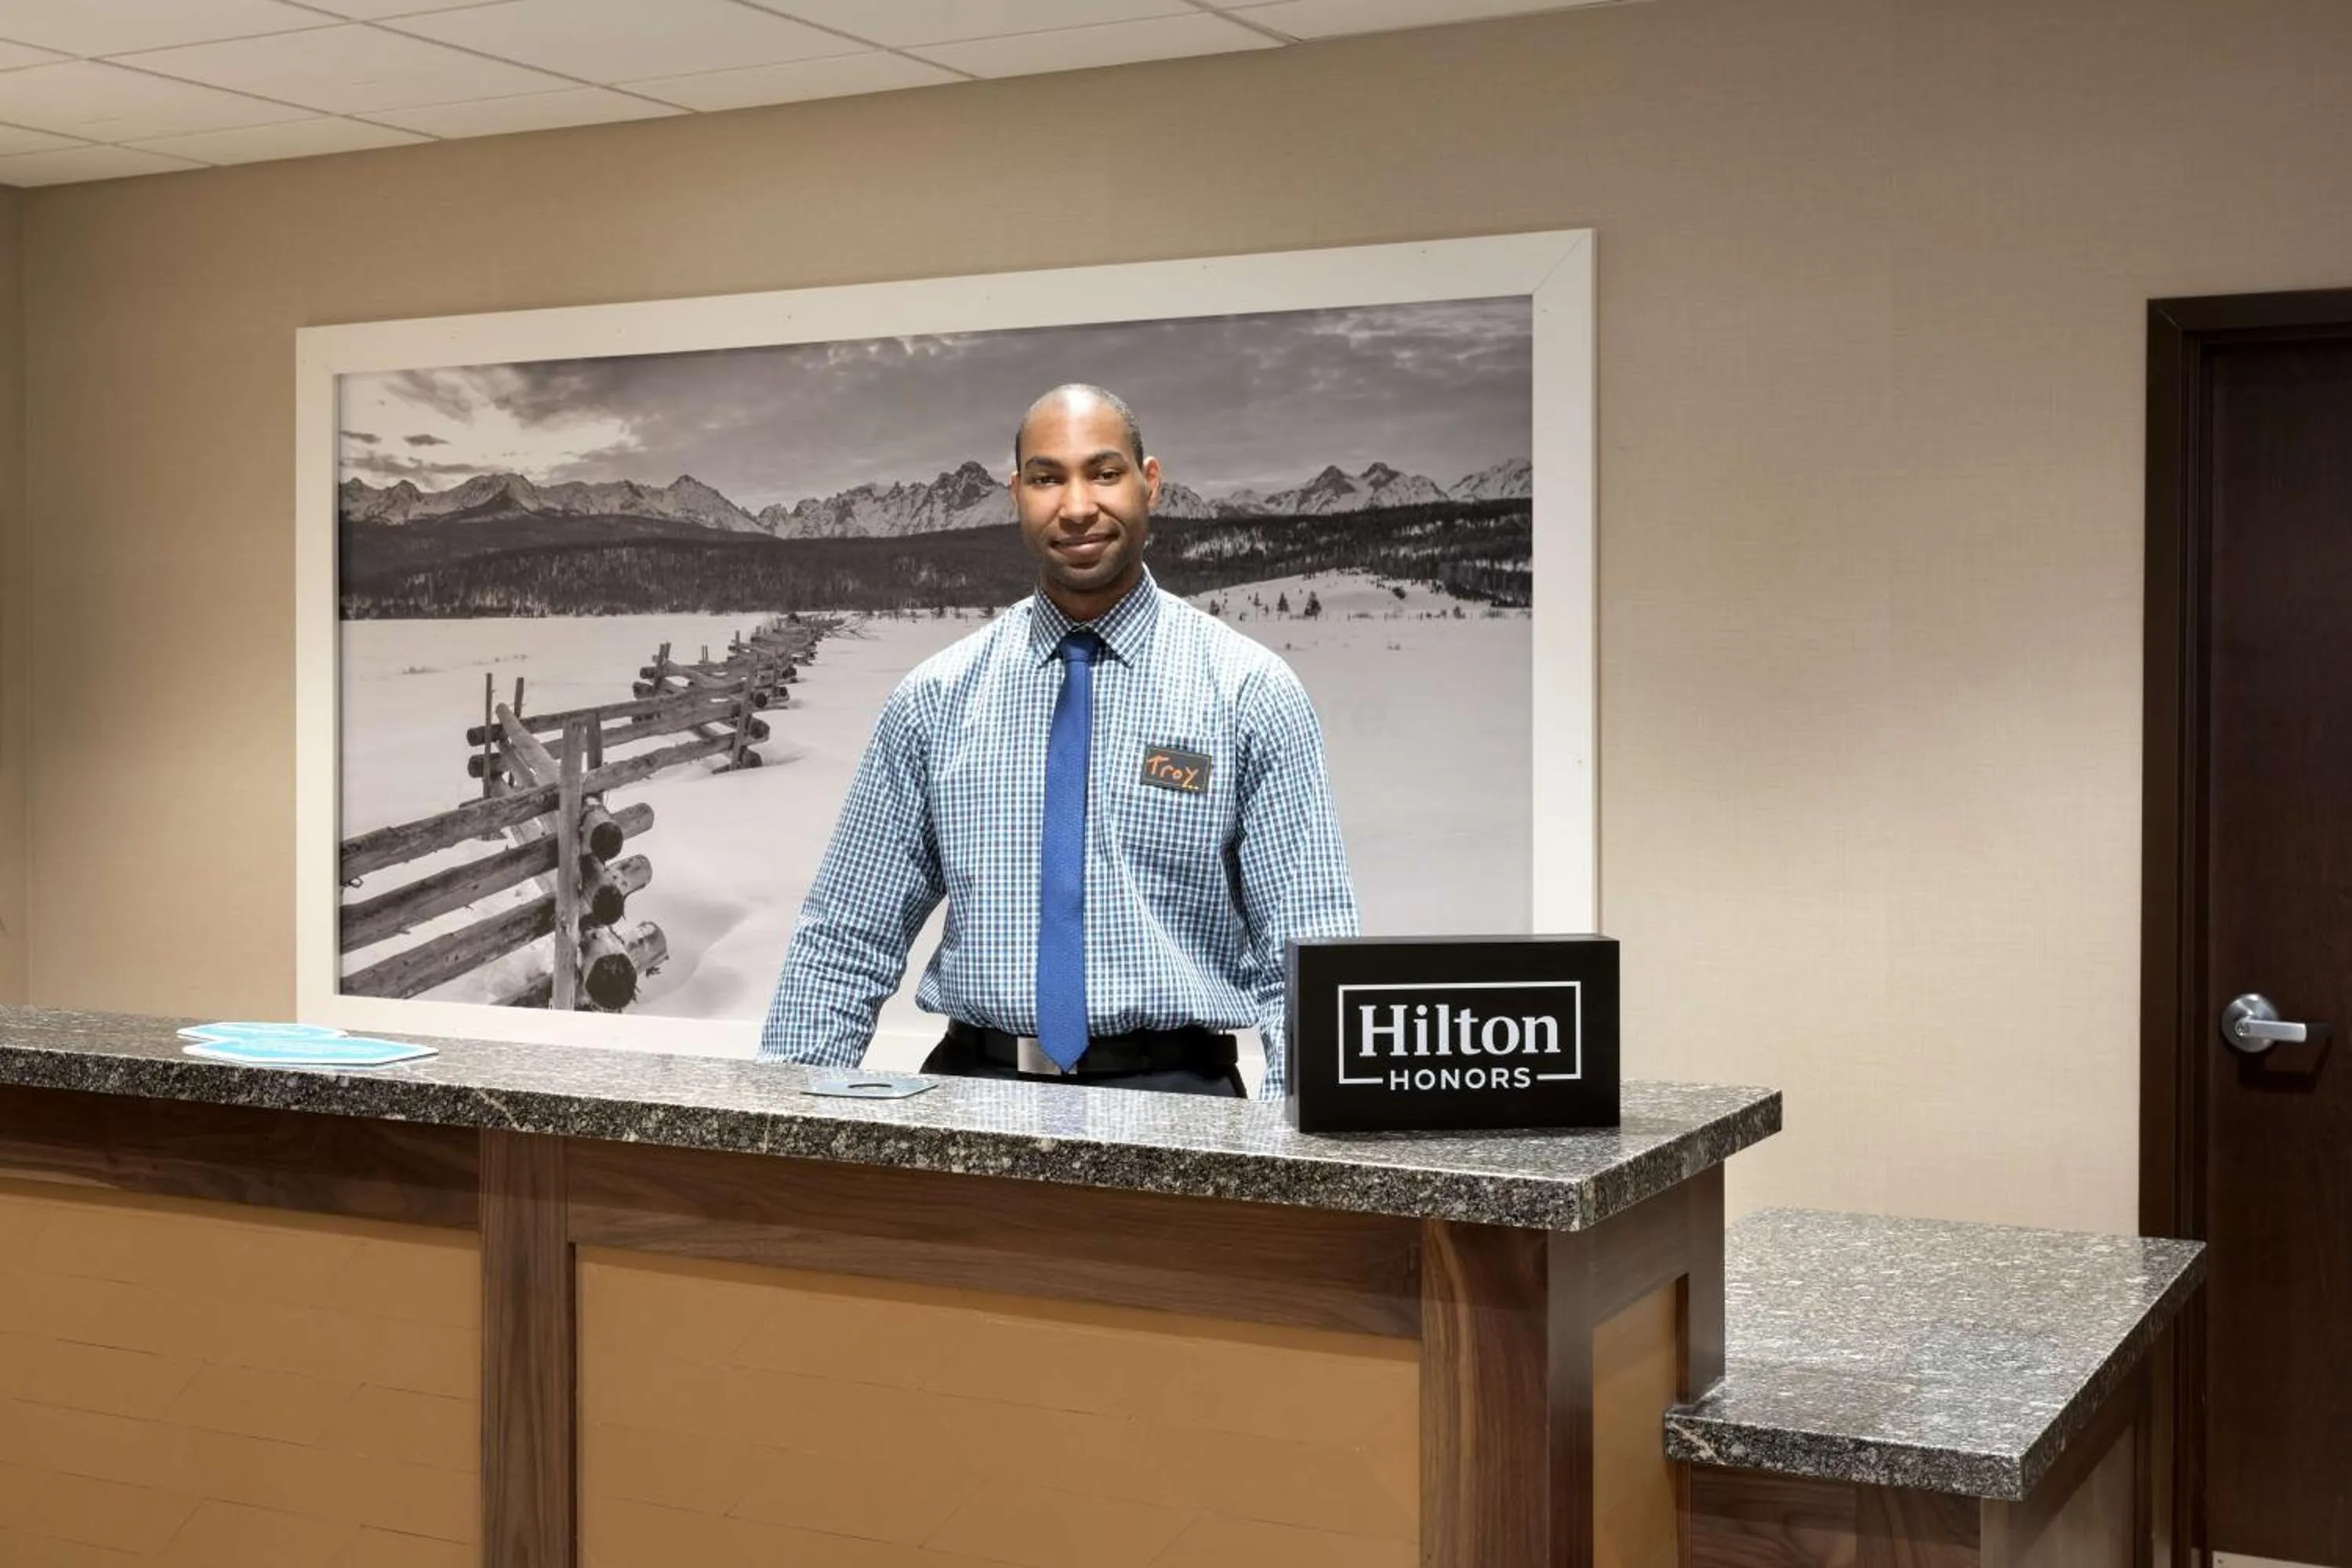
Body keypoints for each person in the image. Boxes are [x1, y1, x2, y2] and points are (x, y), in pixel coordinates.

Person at [757, 383, 1357, 1096]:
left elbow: (1309, 951)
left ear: (1151, 484)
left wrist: (1308, 1162)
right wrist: (774, 1124)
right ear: (1016, 494)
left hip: (1180, 1102)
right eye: (1047, 478)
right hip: (970, 1100)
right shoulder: (937, 699)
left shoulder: (1248, 694)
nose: (1076, 507)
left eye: (1104, 473)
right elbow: (848, 935)